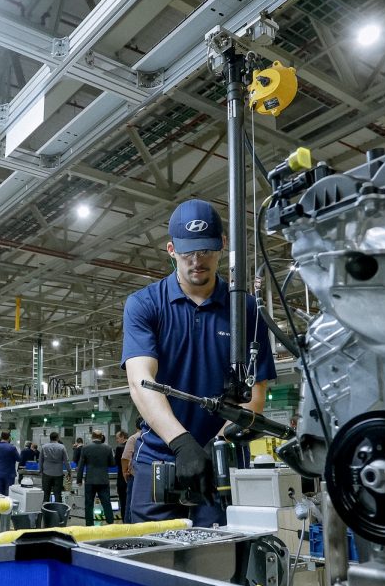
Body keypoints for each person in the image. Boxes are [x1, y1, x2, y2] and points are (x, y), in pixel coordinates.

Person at [121, 199, 276, 527]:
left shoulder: (246, 311)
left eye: (205, 250)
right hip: (160, 454)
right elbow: (140, 380)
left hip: (223, 455)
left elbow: (255, 397)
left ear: (222, 244)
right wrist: (181, 443)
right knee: (150, 559)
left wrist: (215, 445)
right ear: (170, 249)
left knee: (222, 560)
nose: (197, 261)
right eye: (187, 251)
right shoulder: (145, 304)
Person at [76, 430, 116, 526]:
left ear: (92, 437)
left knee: (89, 504)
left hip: (90, 480)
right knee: (106, 503)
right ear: (101, 437)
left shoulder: (85, 448)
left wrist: (79, 479)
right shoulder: (108, 448)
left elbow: (80, 465)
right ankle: (110, 523)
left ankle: (89, 525)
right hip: (103, 480)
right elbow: (112, 463)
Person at [38, 431, 71, 503]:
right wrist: (69, 470)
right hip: (58, 473)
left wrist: (40, 470)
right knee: (58, 494)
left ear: (50, 438)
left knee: (46, 494)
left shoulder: (44, 447)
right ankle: (57, 511)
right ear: (57, 438)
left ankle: (45, 511)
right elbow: (66, 460)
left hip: (46, 473)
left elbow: (40, 460)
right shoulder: (62, 447)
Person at [0, 431, 20, 496]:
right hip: (9, 474)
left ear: (1, 437)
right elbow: (18, 459)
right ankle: (7, 506)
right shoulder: (12, 448)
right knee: (8, 493)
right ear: (9, 437)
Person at [120, 425, 141, 524]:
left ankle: (128, 527)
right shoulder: (157, 436)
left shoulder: (133, 438)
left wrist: (125, 473)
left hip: (134, 476)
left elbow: (125, 458)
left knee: (130, 504)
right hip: (153, 476)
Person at [114, 430, 128, 524]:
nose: (116, 440)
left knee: (123, 502)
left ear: (123, 436)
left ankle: (125, 522)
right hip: (132, 479)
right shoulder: (134, 445)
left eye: (117, 438)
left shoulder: (120, 448)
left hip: (122, 480)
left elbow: (115, 463)